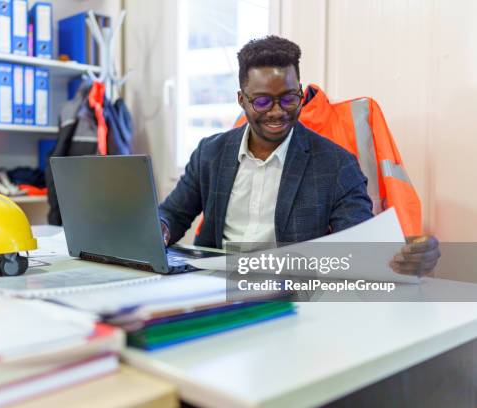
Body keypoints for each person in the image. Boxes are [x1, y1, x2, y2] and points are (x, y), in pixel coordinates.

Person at [159, 35, 440, 277]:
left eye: (289, 98)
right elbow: (173, 213)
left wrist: (406, 256)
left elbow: (358, 243)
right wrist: (161, 229)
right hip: (214, 287)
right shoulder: (211, 152)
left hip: (291, 295)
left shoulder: (336, 164)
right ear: (242, 99)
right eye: (262, 101)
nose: (277, 111)